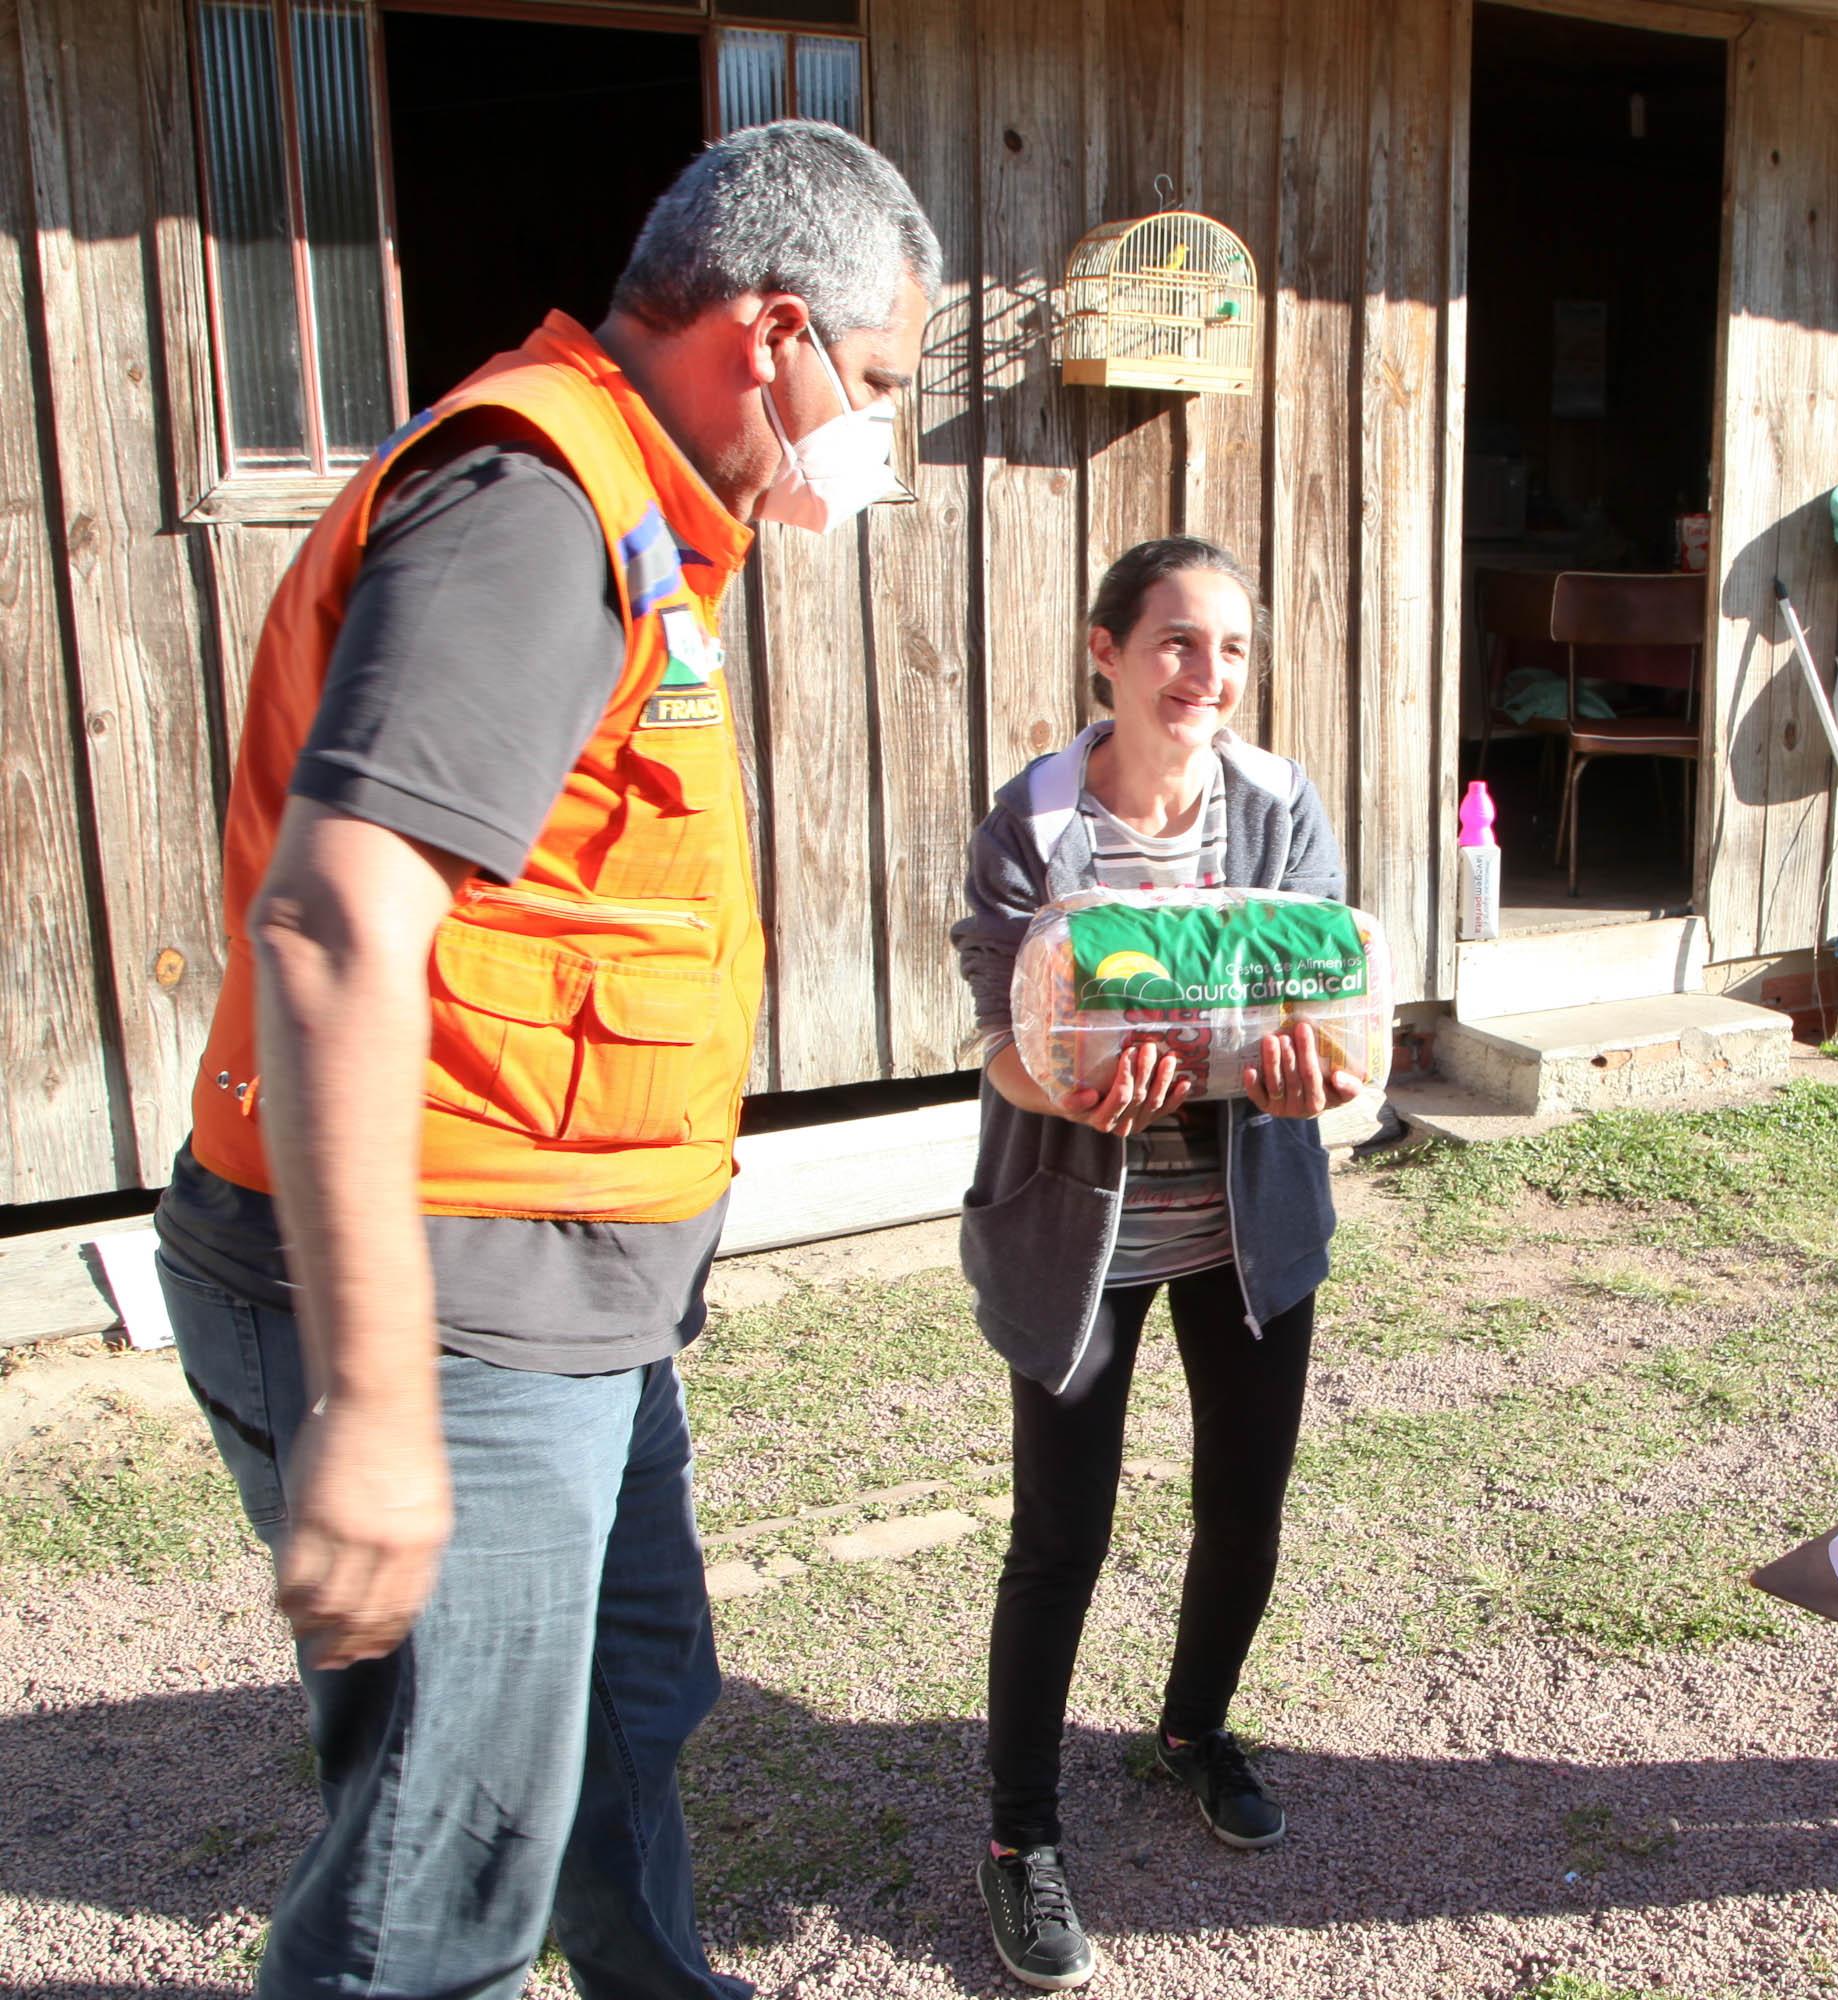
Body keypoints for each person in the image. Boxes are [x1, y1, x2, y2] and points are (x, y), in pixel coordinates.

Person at [150, 121, 936, 1998]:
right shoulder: (537, 499)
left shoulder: (651, 510)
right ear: (773, 338)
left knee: (632, 1688)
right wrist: (378, 1399)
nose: (879, 432)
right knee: (442, 1882)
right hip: (448, 1302)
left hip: (569, 1294)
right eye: (882, 382)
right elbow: (339, 925)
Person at [951, 537, 1359, 1992]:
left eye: (1232, 649)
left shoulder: (1280, 806)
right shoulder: (1037, 820)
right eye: (1178, 642)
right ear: (1105, 653)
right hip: (1083, 1235)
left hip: (1248, 1232)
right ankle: (1019, 1837)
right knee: (1060, 1541)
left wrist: (1316, 1072)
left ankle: (1192, 1728)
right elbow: (1000, 1031)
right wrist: (1063, 1086)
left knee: (1242, 1515)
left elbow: (1329, 994)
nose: (1208, 674)